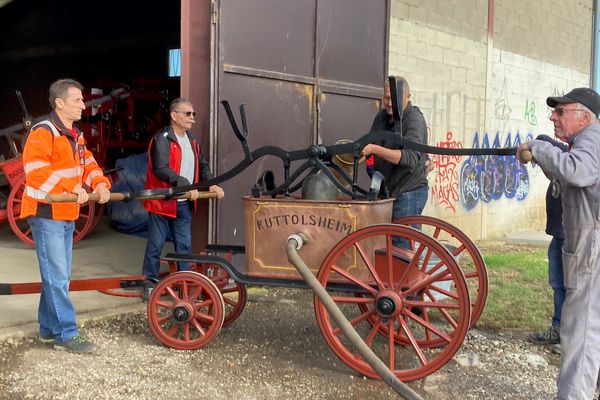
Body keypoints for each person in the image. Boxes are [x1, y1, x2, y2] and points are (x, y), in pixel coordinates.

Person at [516, 87, 600, 399]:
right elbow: (573, 175)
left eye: (561, 111)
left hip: (592, 250)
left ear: (584, 117)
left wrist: (538, 148)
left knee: (580, 333)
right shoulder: (586, 141)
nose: (553, 116)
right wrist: (542, 157)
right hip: (588, 245)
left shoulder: (592, 136)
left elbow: (577, 171)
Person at [21, 78, 112, 353]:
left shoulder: (75, 135)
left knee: (57, 276)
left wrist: (99, 183)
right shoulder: (43, 132)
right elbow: (36, 172)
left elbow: (89, 165)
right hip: (46, 213)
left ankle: (48, 330)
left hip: (65, 213)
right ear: (60, 103)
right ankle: (67, 334)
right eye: (78, 100)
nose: (84, 105)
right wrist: (70, 187)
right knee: (57, 277)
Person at [141, 98, 224, 301]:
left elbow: (202, 165)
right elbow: (161, 168)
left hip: (183, 204)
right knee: (156, 244)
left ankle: (183, 283)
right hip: (162, 203)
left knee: (184, 246)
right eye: (188, 114)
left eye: (194, 114)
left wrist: (210, 183)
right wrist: (186, 185)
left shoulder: (192, 141)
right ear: (174, 115)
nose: (192, 118)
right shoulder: (162, 138)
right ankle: (149, 283)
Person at [362, 77, 429, 247]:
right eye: (386, 98)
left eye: (394, 98)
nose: (389, 103)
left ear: (408, 97)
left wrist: (374, 150)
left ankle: (404, 274)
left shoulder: (414, 120)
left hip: (408, 192)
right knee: (386, 247)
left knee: (401, 248)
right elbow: (370, 144)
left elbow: (410, 158)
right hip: (388, 192)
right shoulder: (382, 118)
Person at [528, 136, 566, 346]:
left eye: (561, 112)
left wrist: (536, 144)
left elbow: (553, 147)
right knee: (558, 284)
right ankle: (559, 330)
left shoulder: (582, 148)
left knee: (571, 288)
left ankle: (570, 337)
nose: (555, 118)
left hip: (571, 235)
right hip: (559, 233)